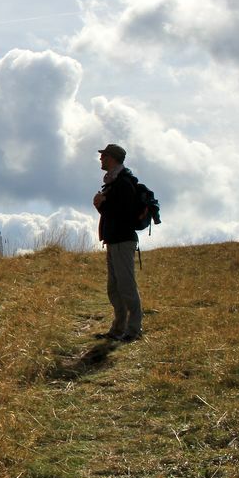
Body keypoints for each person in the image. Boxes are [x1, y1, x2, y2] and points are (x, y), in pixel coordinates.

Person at [92, 143, 142, 341]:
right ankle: (119, 328)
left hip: (122, 240)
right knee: (114, 287)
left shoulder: (122, 183)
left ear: (111, 157)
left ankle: (133, 330)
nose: (101, 159)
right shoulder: (114, 182)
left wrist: (102, 203)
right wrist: (102, 205)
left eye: (103, 156)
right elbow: (113, 212)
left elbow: (123, 213)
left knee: (126, 286)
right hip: (115, 241)